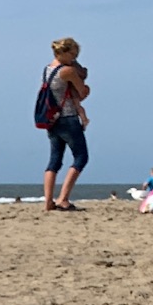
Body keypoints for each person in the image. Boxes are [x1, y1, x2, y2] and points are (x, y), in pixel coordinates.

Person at [40, 37, 90, 213]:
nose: (74, 58)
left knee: (54, 160)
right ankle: (63, 198)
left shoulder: (47, 69)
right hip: (68, 118)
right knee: (81, 157)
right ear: (64, 53)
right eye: (73, 55)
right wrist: (86, 88)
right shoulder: (67, 71)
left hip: (52, 119)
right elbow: (82, 92)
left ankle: (48, 201)